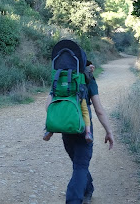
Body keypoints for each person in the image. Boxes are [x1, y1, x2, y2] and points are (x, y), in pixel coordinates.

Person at [47, 60, 115, 204]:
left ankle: (88, 189)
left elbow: (48, 106)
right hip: (84, 131)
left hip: (66, 129)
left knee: (79, 164)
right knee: (80, 165)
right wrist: (109, 132)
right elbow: (99, 110)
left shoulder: (60, 78)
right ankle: (74, 200)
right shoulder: (89, 80)